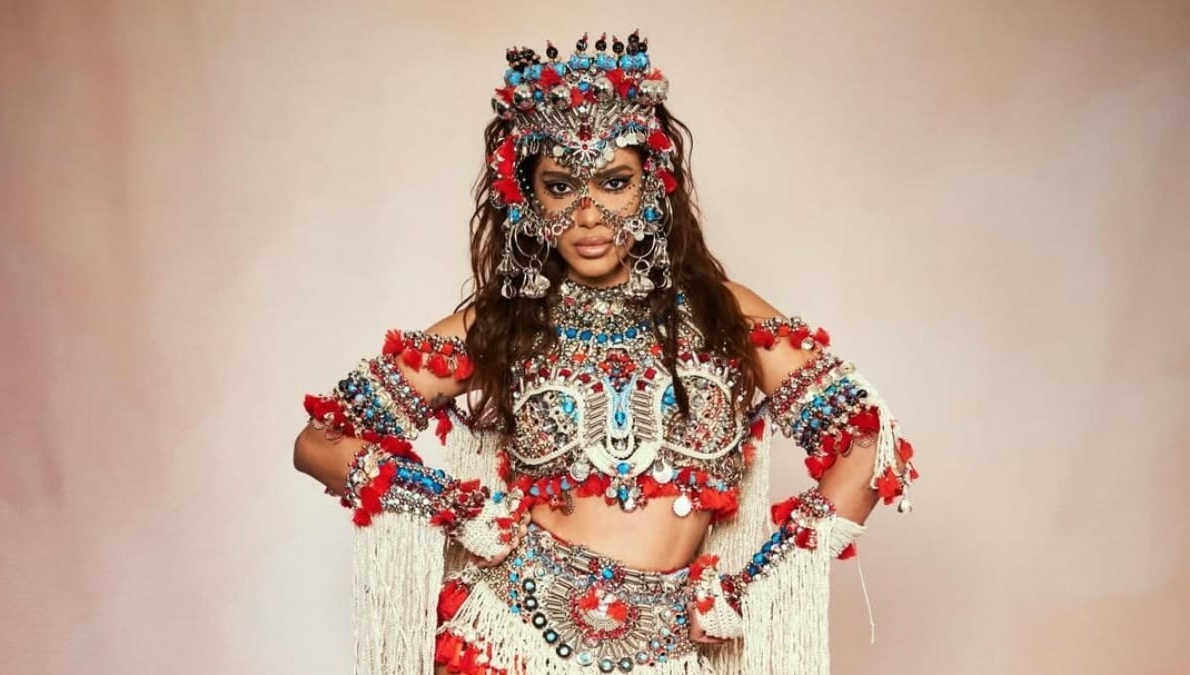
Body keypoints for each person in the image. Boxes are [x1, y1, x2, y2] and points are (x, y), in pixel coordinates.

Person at [293, 31, 918, 675]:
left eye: (614, 183)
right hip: (511, 643)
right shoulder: (505, 323)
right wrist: (452, 507)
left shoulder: (721, 315)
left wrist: (756, 586)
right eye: (561, 187)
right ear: (529, 199)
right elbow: (322, 441)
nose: (588, 215)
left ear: (652, 187)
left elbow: (868, 443)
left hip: (670, 653)